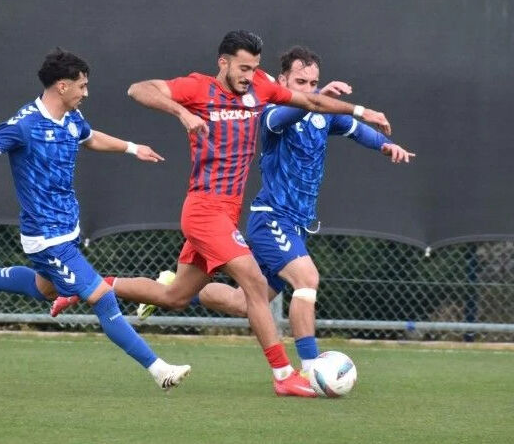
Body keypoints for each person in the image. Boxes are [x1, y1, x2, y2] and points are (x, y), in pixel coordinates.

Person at [50, 46, 415, 380]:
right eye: (300, 81)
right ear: (283, 81)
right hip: (270, 219)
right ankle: (309, 369)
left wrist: (386, 145)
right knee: (306, 280)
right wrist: (316, 98)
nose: (307, 87)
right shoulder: (272, 113)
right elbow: (298, 108)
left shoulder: (320, 116)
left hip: (288, 224)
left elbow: (352, 128)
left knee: (229, 301)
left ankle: (109, 286)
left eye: (313, 82)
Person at [0, 49, 191, 391]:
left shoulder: (72, 119)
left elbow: (91, 138)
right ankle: (159, 370)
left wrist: (132, 147)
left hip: (67, 230)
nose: (86, 93)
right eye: (82, 86)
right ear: (62, 86)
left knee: (44, 287)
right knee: (102, 297)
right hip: (45, 237)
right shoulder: (23, 125)